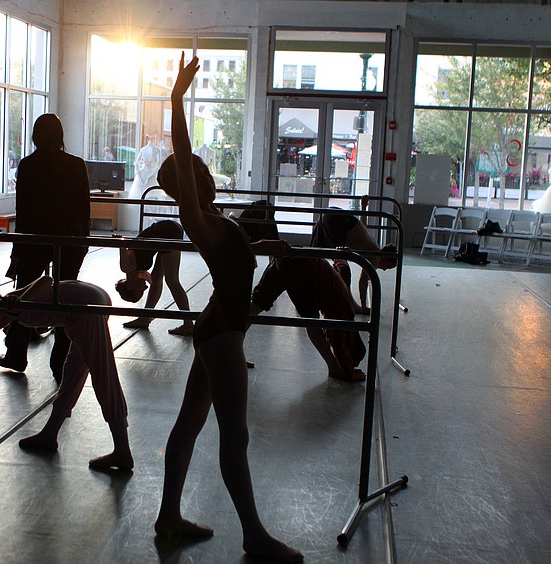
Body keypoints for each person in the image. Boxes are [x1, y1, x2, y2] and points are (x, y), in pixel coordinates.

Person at [153, 55, 303, 563]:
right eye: (196, 174)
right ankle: (254, 537)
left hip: (217, 327)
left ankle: (169, 516)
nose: (206, 176)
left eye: (203, 171)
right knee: (233, 434)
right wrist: (177, 95)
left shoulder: (217, 220)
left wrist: (265, 251)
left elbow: (233, 264)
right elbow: (182, 149)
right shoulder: (196, 218)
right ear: (186, 187)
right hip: (220, 334)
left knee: (190, 424)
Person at [0, 274, 133, 470]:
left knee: (103, 375)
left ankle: (122, 452)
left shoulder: (13, 302)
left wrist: (20, 301)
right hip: (81, 308)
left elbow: (45, 279)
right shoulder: (10, 305)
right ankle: (49, 435)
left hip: (84, 306)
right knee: (73, 373)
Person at [3, 114, 91, 381]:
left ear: (35, 136)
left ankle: (16, 352)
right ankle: (60, 362)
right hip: (69, 238)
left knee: (23, 294)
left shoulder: (28, 165)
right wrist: (84, 241)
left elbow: (23, 210)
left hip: (34, 238)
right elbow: (83, 207)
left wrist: (17, 249)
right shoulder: (76, 165)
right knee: (65, 298)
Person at [250, 240, 366, 382]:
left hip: (293, 255)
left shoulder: (344, 297)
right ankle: (334, 369)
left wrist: (341, 255)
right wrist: (348, 372)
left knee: (256, 304)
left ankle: (231, 346)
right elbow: (337, 340)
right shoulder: (342, 313)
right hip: (298, 268)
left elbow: (343, 268)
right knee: (312, 320)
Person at [310, 195, 397, 315]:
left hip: (330, 214)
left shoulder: (372, 244)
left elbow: (362, 224)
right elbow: (363, 282)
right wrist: (363, 307)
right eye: (388, 267)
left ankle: (307, 294)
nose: (385, 269)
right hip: (338, 221)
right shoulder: (375, 257)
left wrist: (363, 206)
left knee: (313, 256)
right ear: (387, 259)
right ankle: (348, 304)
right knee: (342, 266)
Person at [114, 220, 193, 335]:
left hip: (166, 231)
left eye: (140, 291)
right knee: (158, 278)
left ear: (130, 286)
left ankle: (188, 324)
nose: (145, 288)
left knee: (172, 280)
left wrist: (118, 238)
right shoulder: (140, 274)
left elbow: (122, 245)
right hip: (164, 235)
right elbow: (154, 284)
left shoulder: (126, 267)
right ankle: (145, 319)